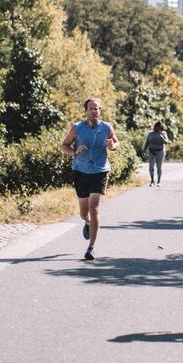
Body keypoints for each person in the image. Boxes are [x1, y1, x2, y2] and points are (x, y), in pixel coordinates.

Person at [61, 97, 118, 261]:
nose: (94, 111)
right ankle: (87, 222)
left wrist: (112, 146)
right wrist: (75, 151)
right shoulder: (77, 128)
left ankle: (91, 248)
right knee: (84, 213)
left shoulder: (106, 127)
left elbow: (116, 143)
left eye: (96, 108)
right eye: (91, 108)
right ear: (86, 111)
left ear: (100, 110)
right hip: (81, 172)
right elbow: (64, 146)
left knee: (95, 209)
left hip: (100, 171)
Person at [144, 120, 169, 186]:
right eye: (157, 127)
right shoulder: (150, 133)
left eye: (159, 127)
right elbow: (147, 142)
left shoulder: (163, 133)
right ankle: (152, 181)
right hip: (151, 152)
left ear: (161, 127)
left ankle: (159, 181)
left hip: (160, 151)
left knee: (159, 167)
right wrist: (144, 150)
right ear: (155, 127)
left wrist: (162, 138)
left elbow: (166, 142)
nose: (158, 128)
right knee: (151, 166)